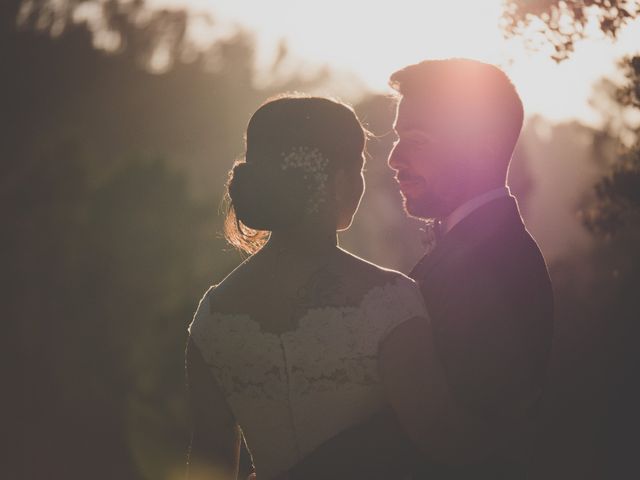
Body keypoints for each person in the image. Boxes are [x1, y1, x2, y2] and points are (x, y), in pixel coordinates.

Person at [283, 59, 555, 480]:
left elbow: (440, 435)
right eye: (396, 139)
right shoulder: (468, 250)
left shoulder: (493, 265)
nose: (394, 158)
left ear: (481, 145)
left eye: (417, 140)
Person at [185, 95, 432, 480]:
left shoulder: (214, 315)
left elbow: (208, 465)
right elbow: (437, 448)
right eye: (360, 166)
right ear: (336, 180)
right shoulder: (388, 300)